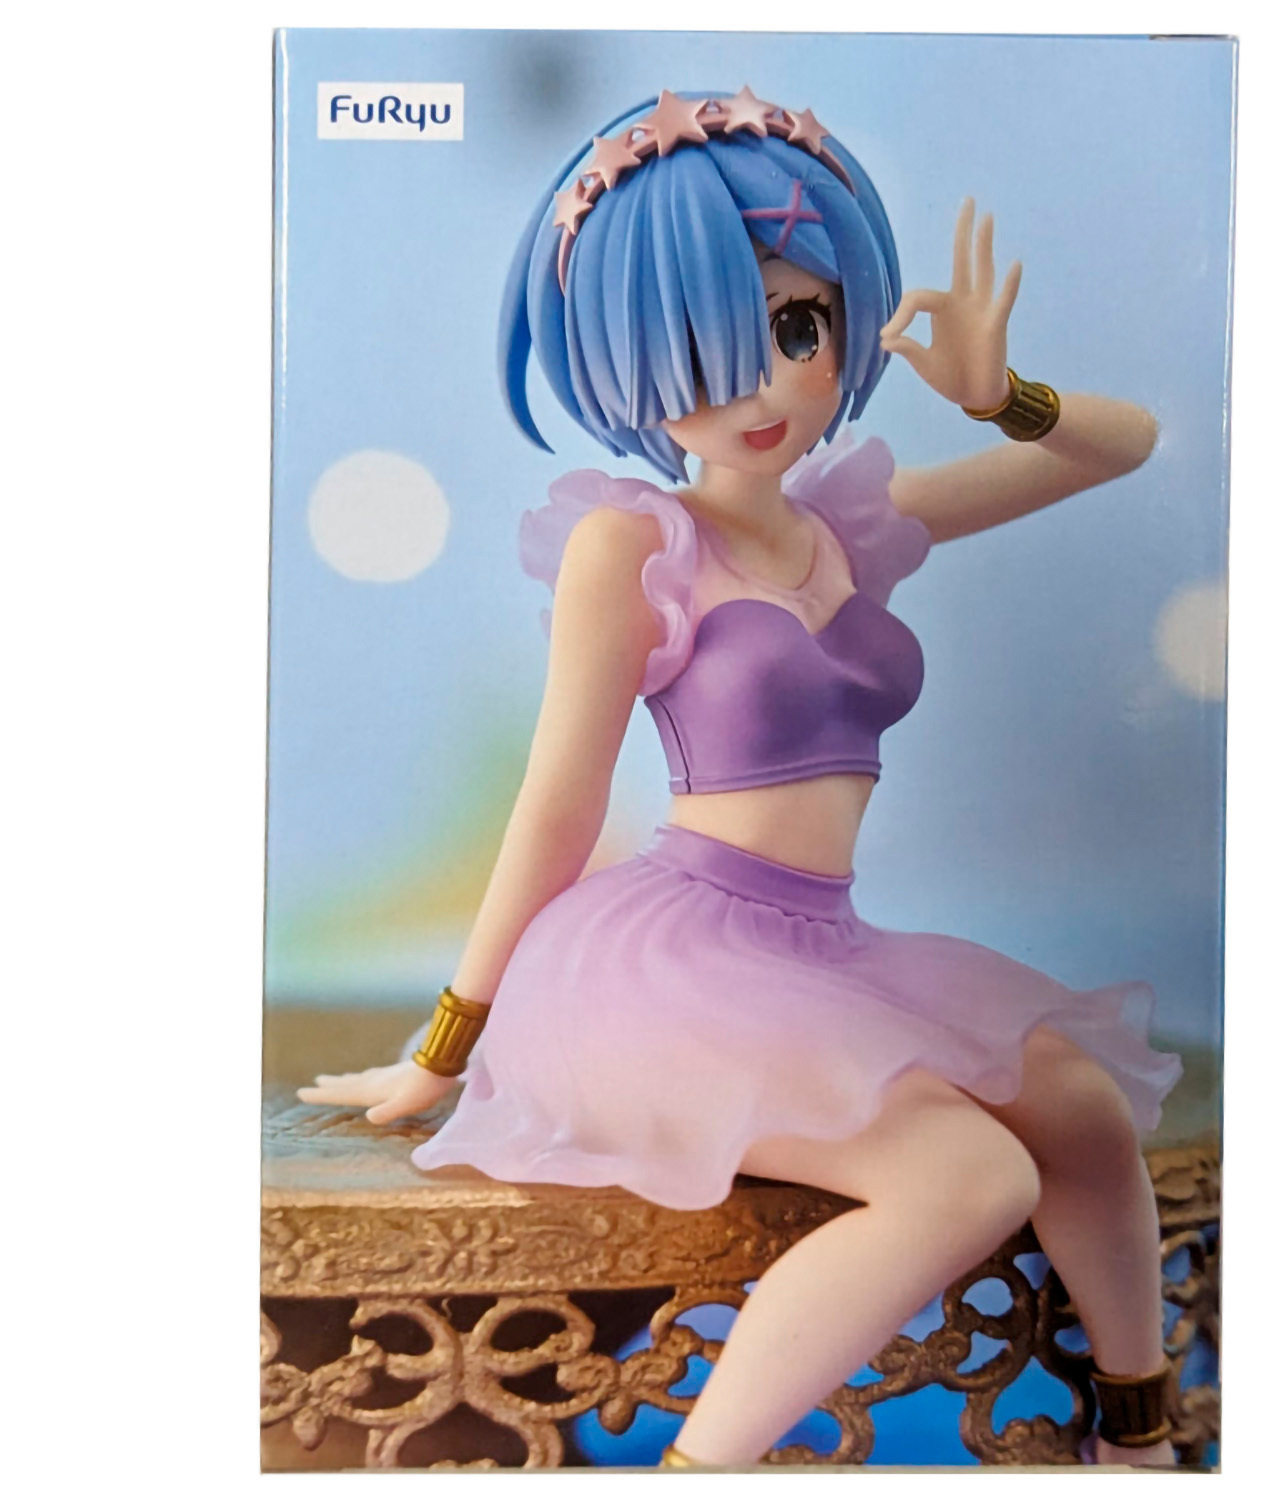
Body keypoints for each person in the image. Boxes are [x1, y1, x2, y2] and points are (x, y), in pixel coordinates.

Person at [299, 88, 1183, 1468]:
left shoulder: (855, 524)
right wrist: (445, 1046)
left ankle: (1142, 1445)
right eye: (695, 351)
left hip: (819, 944)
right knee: (971, 1174)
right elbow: (557, 807)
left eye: (795, 329)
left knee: (1077, 1104)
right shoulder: (634, 545)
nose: (757, 390)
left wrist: (1002, 398)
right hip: (666, 959)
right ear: (627, 367)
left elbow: (1122, 447)